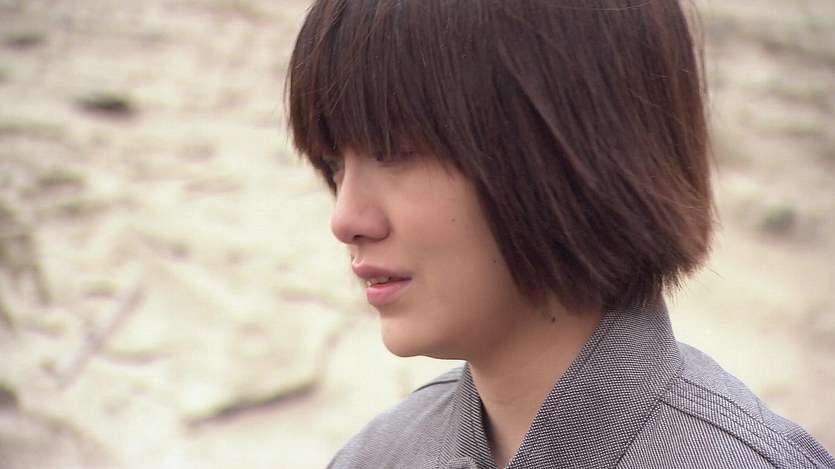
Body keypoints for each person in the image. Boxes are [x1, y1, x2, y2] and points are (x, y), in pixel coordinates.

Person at [286, 0, 835, 467]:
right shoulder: (383, 454)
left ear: (566, 149)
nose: (346, 220)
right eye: (334, 165)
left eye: (396, 152)